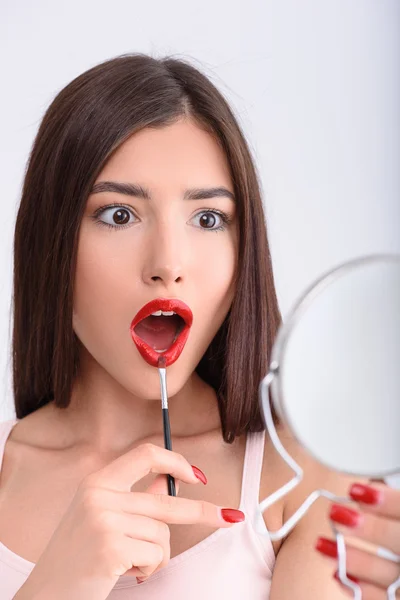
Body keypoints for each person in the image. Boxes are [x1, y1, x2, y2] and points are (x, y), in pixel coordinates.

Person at [0, 53, 398, 600]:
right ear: (50, 243)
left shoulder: (304, 483)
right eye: (119, 214)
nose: (168, 261)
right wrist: (59, 581)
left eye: (208, 219)